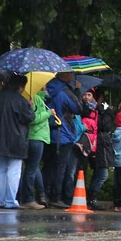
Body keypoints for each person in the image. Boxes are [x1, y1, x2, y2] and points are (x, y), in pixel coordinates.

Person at [0, 74, 34, 209]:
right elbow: (29, 117)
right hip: (16, 141)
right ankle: (10, 201)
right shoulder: (21, 101)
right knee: (13, 171)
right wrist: (30, 106)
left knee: (1, 171)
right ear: (20, 86)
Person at [44, 71, 88, 208]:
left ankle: (44, 195)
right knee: (60, 167)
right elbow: (78, 108)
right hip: (64, 134)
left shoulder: (47, 89)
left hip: (48, 133)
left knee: (48, 166)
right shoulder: (64, 92)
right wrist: (77, 90)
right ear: (65, 76)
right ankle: (55, 198)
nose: (72, 77)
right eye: (71, 75)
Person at [19, 88, 51, 209]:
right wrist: (48, 113)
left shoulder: (40, 98)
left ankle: (39, 196)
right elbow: (33, 119)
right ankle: (29, 198)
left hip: (37, 136)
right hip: (35, 136)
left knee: (32, 167)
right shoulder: (34, 98)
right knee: (31, 169)